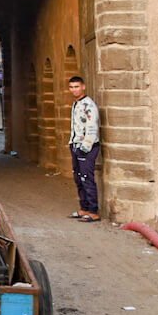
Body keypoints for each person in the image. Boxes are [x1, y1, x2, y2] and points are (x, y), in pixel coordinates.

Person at [67, 75, 101, 222]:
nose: (74, 90)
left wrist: (85, 147)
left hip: (87, 147)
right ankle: (84, 208)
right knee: (78, 178)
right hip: (75, 144)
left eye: (77, 87)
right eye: (71, 87)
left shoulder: (88, 105)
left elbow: (92, 127)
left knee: (87, 178)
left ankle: (93, 211)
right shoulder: (76, 104)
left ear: (83, 87)